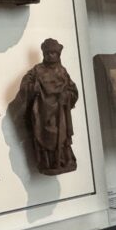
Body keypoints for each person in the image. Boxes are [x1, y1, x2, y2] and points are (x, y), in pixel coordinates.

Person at [19, 39, 79, 175]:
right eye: (48, 53)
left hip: (59, 112)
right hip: (42, 112)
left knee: (61, 137)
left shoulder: (62, 71)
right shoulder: (37, 70)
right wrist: (33, 88)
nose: (51, 55)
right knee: (45, 137)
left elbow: (73, 90)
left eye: (54, 53)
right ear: (44, 54)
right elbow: (25, 86)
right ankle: (47, 162)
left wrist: (66, 96)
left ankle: (63, 160)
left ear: (58, 55)